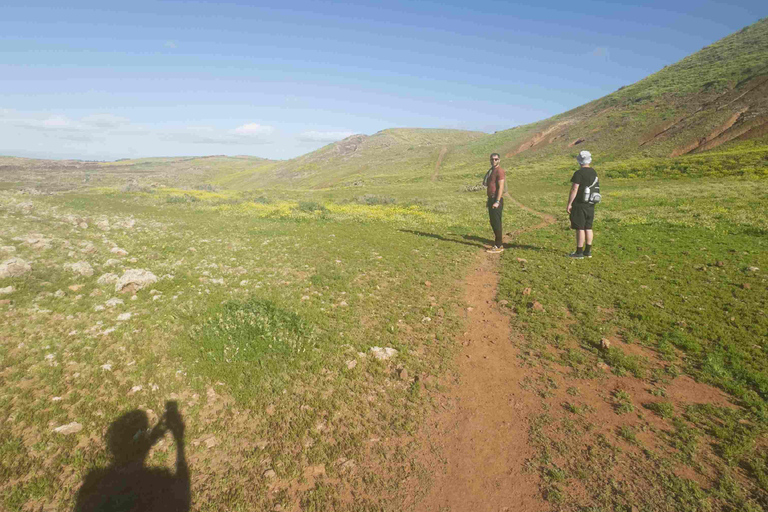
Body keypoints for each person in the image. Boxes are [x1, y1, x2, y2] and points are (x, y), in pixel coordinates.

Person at [566, 150, 598, 259]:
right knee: (588, 227)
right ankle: (588, 251)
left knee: (580, 227)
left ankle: (579, 252)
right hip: (591, 203)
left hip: (580, 204)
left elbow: (574, 189)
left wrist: (569, 203)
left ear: (579, 161)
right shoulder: (594, 172)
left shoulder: (578, 173)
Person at [484, 153, 506, 253]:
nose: (494, 161)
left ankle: (498, 246)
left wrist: (497, 201)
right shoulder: (492, 171)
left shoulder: (499, 171)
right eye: (492, 159)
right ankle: (498, 242)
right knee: (493, 222)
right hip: (491, 199)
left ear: (499, 160)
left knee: (496, 222)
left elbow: (501, 187)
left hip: (496, 199)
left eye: (496, 159)